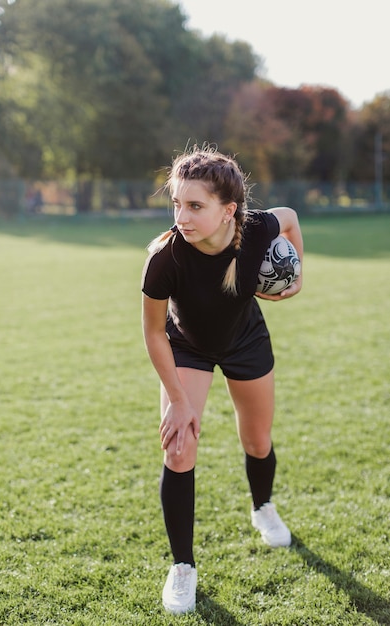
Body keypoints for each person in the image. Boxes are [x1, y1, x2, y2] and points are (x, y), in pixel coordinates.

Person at [141, 145, 303, 615]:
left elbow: (290, 217)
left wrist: (297, 276)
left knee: (257, 440)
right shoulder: (165, 257)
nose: (182, 216)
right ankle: (183, 567)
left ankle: (263, 508)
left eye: (195, 206)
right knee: (179, 447)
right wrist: (177, 399)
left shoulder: (256, 231)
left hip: (245, 339)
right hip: (186, 347)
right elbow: (153, 333)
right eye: (176, 203)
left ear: (228, 210)